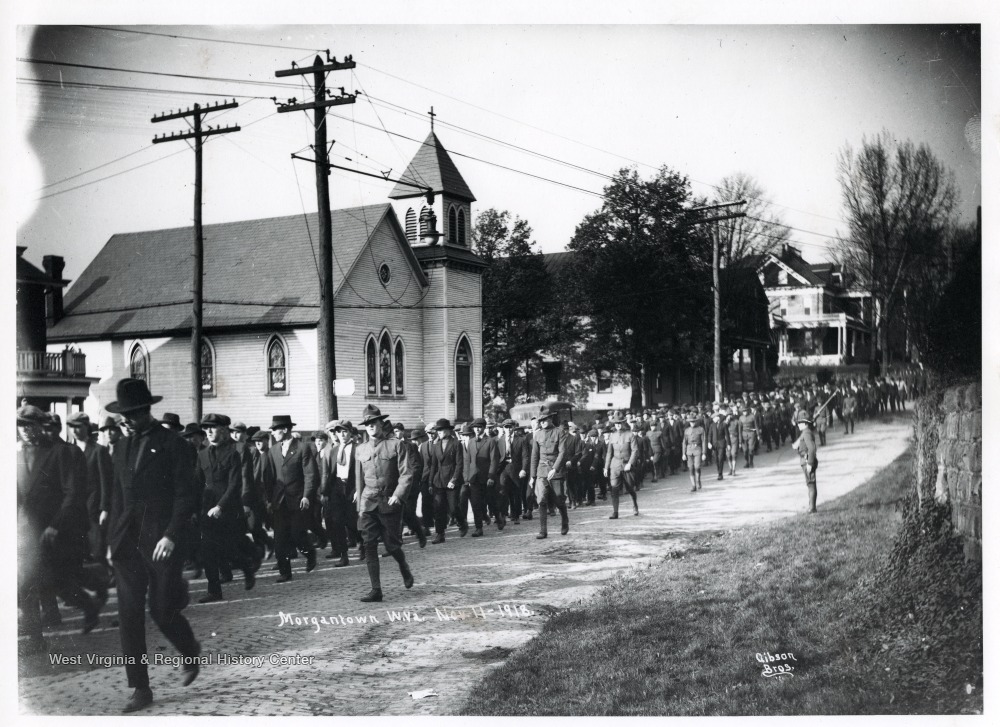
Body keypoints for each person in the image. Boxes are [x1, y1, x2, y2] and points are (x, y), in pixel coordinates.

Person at [101, 379, 201, 713]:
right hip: (128, 543)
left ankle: (189, 651)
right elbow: (117, 497)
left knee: (162, 610)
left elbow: (187, 495)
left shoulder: (174, 445)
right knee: (129, 616)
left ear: (146, 411)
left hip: (161, 541)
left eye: (131, 414)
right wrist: (110, 541)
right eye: (123, 414)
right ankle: (140, 688)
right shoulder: (121, 447)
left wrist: (171, 535)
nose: (126, 420)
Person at [194, 413, 259, 603]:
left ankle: (246, 568)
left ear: (223, 430)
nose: (209, 432)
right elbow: (196, 484)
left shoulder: (232, 454)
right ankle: (214, 591)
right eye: (206, 429)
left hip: (229, 510)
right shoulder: (202, 454)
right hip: (207, 511)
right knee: (207, 551)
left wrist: (220, 506)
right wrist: (194, 509)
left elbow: (235, 484)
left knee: (228, 550)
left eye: (213, 428)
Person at [354, 405, 416, 602]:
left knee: (391, 546)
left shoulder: (396, 445)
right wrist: (360, 506)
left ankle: (404, 566)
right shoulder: (360, 449)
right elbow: (359, 480)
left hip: (389, 500)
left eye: (374, 423)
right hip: (369, 501)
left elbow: (407, 473)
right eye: (367, 424)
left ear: (381, 423)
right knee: (369, 544)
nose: (371, 427)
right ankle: (376, 590)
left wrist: (398, 495)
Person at [264, 414, 318, 583]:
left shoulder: (302, 448)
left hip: (297, 499)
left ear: (285, 430)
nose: (273, 433)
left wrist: (306, 496)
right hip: (279, 501)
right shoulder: (272, 451)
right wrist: (268, 500)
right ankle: (285, 572)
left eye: (275, 430)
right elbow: (269, 478)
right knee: (279, 538)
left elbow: (310, 474)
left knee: (296, 534)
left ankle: (310, 553)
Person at [320, 420, 360, 566]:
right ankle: (344, 556)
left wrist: (357, 490)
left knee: (352, 522)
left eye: (345, 431)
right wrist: (325, 492)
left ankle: (361, 544)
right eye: (339, 432)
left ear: (350, 433)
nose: (342, 435)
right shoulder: (333, 450)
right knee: (337, 522)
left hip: (351, 487)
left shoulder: (358, 448)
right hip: (336, 488)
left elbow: (362, 472)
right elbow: (329, 473)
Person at [530, 405, 570, 538]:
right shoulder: (537, 435)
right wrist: (532, 476)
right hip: (542, 471)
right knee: (541, 500)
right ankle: (543, 531)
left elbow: (563, 453)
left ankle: (565, 520)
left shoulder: (559, 432)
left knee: (559, 500)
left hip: (556, 471)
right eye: (540, 421)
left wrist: (555, 468)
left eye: (545, 419)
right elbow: (534, 456)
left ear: (551, 418)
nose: (542, 422)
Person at [427, 418, 465, 543]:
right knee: (439, 508)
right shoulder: (436, 445)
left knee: (453, 508)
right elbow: (433, 465)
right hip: (438, 481)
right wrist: (430, 482)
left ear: (449, 430)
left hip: (451, 480)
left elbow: (459, 464)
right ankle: (440, 534)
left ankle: (462, 523)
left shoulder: (456, 443)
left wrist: (454, 479)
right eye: (438, 430)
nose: (439, 432)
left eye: (442, 430)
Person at [603, 413, 639, 519]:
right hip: (615, 465)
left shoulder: (630, 435)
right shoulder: (612, 436)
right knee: (614, 488)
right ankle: (615, 512)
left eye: (619, 423)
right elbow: (609, 453)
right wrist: (606, 467)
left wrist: (630, 463)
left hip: (627, 465)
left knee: (630, 488)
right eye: (616, 423)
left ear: (623, 423)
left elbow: (635, 450)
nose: (618, 425)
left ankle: (635, 504)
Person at [498, 419, 530, 524]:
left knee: (516, 492)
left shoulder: (521, 440)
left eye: (510, 427)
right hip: (503, 468)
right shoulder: (500, 440)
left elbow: (525, 456)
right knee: (502, 490)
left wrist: (523, 470)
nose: (508, 429)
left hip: (516, 467)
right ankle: (502, 514)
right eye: (506, 427)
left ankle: (515, 515)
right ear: (503, 428)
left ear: (513, 428)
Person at [793, 411, 819, 513]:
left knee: (811, 484)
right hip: (805, 460)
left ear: (805, 423)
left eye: (800, 423)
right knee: (810, 484)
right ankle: (811, 507)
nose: (798, 424)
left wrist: (810, 463)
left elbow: (812, 449)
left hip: (808, 460)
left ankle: (812, 508)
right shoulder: (804, 433)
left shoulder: (806, 433)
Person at [707, 410, 728, 481]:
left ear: (718, 417)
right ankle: (719, 471)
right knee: (716, 459)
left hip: (721, 443)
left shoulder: (724, 424)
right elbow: (709, 435)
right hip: (714, 444)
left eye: (714, 418)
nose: (713, 419)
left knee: (720, 458)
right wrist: (709, 442)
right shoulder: (712, 425)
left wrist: (728, 444)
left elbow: (726, 435)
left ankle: (720, 473)